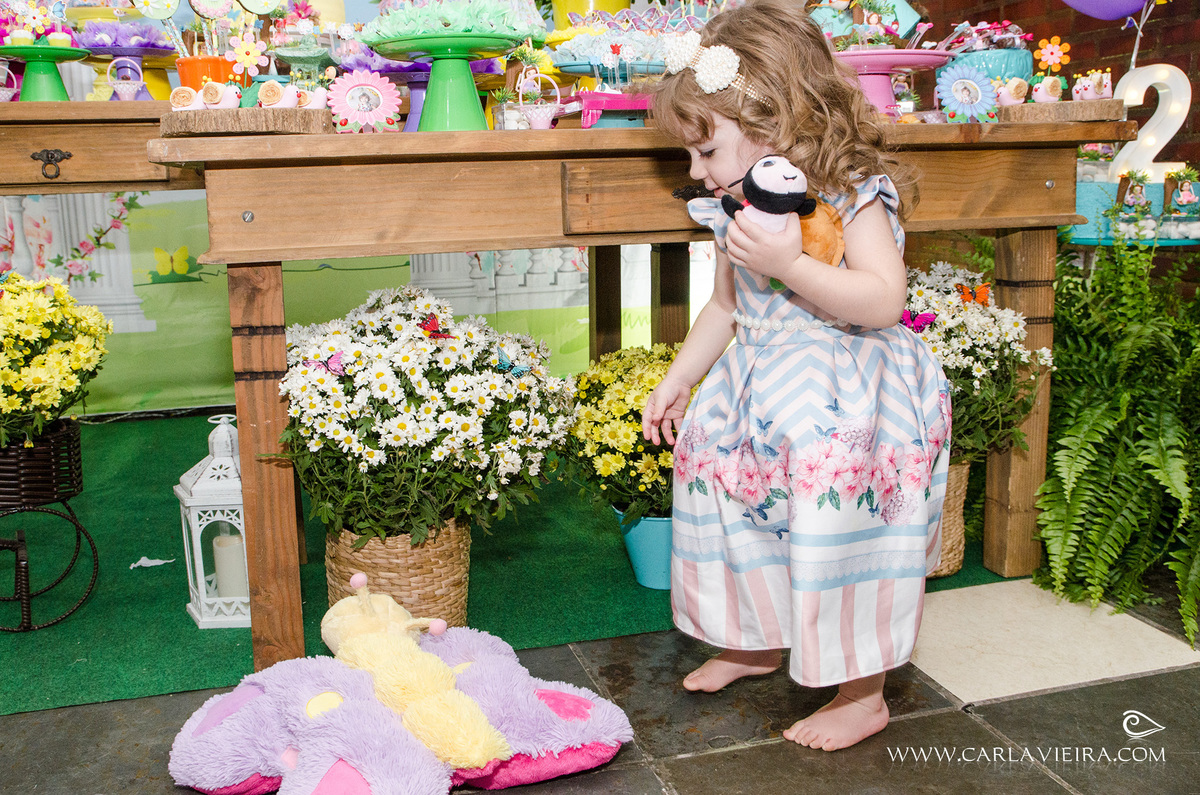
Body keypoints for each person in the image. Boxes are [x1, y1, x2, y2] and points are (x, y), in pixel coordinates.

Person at [642, 0, 951, 752]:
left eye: (705, 150)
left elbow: (883, 299)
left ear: (772, 123)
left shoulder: (851, 190)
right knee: (737, 512)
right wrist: (680, 377)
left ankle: (863, 691)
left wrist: (791, 263)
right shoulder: (732, 205)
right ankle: (756, 639)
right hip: (759, 386)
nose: (695, 171)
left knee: (835, 531)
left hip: (847, 393)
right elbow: (726, 305)